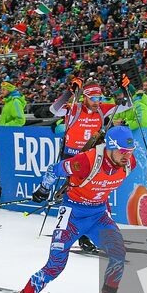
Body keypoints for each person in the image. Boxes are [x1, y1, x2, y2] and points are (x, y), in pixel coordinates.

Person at [0, 125, 138, 293]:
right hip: (73, 215)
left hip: (98, 216)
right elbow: (54, 170)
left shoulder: (129, 164)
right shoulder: (86, 161)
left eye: (130, 151)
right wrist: (43, 189)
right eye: (122, 151)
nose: (127, 156)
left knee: (118, 256)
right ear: (110, 147)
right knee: (55, 266)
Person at [52, 82, 110, 252]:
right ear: (85, 97)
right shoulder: (74, 109)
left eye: (99, 98)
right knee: (74, 196)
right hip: (73, 157)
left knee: (89, 196)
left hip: (92, 158)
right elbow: (54, 110)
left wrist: (125, 89)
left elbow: (128, 104)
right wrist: (69, 91)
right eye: (93, 98)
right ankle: (67, 232)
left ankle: (85, 236)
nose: (97, 101)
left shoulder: (102, 109)